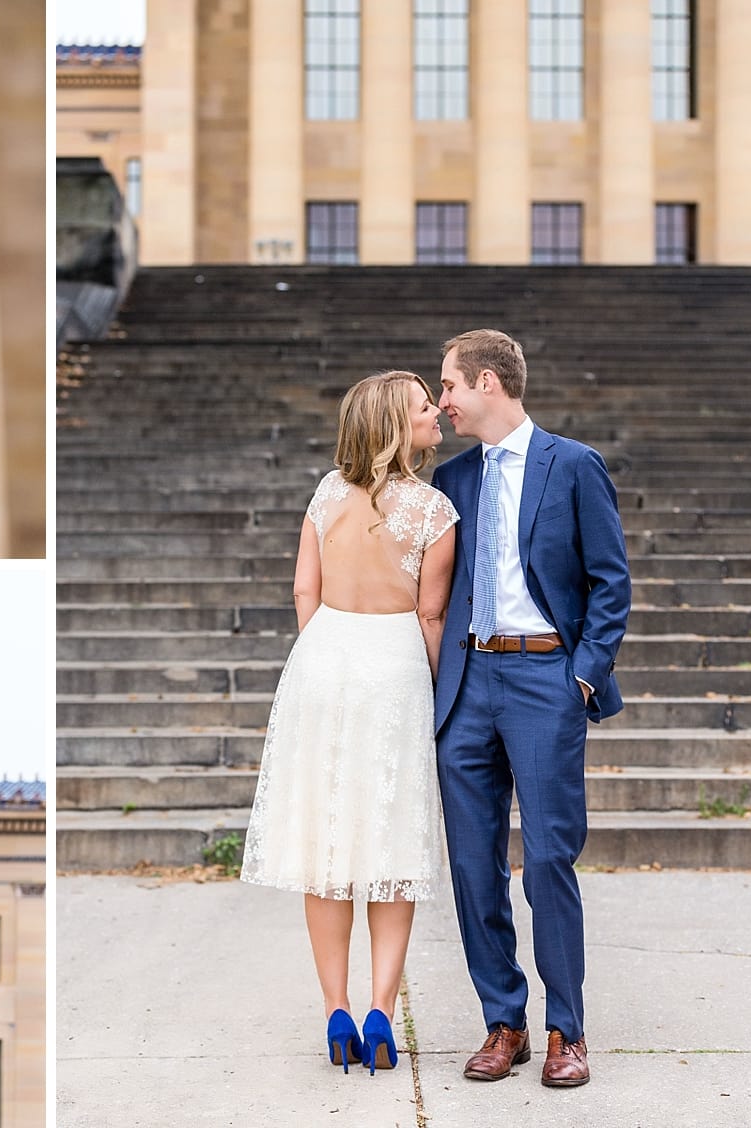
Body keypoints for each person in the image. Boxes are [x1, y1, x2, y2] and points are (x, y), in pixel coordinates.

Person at [240, 371, 457, 1076]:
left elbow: (305, 587)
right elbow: (431, 615)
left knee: (329, 844)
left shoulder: (327, 494)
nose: (437, 416)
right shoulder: (434, 512)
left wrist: (322, 650)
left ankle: (335, 1008)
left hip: (324, 660)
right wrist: (426, 682)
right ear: (398, 426)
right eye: (426, 408)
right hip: (395, 664)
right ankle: (379, 1013)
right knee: (391, 843)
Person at [432, 329, 631, 1088]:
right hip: (470, 684)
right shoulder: (455, 481)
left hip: (547, 678)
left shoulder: (573, 465)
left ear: (488, 382)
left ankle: (565, 1032)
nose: (443, 402)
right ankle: (503, 1021)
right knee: (472, 864)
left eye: (448, 385)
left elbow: (611, 582)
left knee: (547, 859)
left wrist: (582, 675)